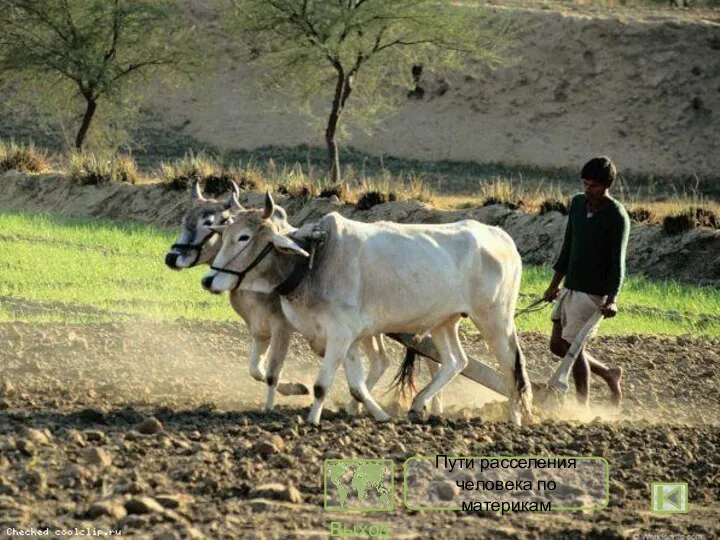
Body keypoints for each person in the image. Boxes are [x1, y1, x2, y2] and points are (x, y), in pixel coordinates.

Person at [543, 156, 630, 408]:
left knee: (572, 347)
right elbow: (568, 246)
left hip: (594, 293)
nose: (587, 189)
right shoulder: (578, 204)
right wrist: (553, 284)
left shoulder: (617, 216)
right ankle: (608, 373)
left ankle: (583, 406)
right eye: (585, 183)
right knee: (557, 345)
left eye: (593, 185)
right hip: (571, 286)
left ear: (606, 185)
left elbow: (618, 263)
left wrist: (612, 300)